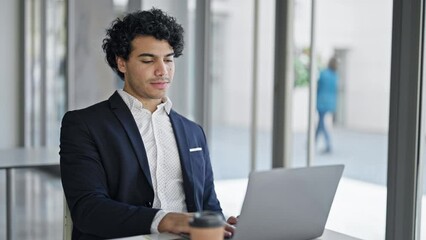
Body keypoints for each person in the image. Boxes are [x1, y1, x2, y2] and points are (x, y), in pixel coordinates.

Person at [60, 8, 237, 239]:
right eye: (148, 60)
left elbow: (208, 207)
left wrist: (224, 226)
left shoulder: (193, 132)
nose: (162, 71)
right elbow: (88, 210)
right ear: (121, 62)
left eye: (168, 59)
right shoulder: (84, 125)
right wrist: (165, 220)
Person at [315, 57, 338, 154]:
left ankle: (328, 144)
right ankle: (313, 140)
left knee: (321, 123)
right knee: (320, 122)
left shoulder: (324, 74)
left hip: (322, 102)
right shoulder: (335, 76)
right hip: (330, 102)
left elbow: (318, 87)